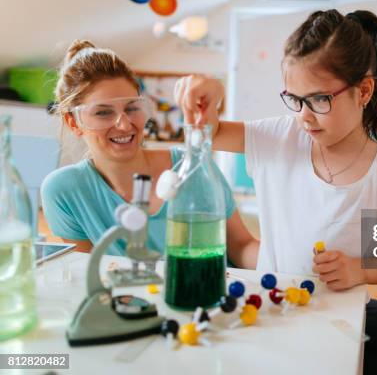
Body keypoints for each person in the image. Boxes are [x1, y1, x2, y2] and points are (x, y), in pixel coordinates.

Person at [175, 9, 377, 374]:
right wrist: (208, 92)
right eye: (296, 99)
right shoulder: (278, 137)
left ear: (364, 90)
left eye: (319, 100)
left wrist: (360, 268)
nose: (304, 115)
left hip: (337, 312)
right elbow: (206, 129)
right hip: (271, 305)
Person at [41, 40, 259, 269]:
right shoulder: (64, 191)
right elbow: (89, 276)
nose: (124, 125)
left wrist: (287, 260)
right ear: (73, 122)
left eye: (132, 108)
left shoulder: (193, 167)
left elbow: (241, 246)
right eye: (103, 112)